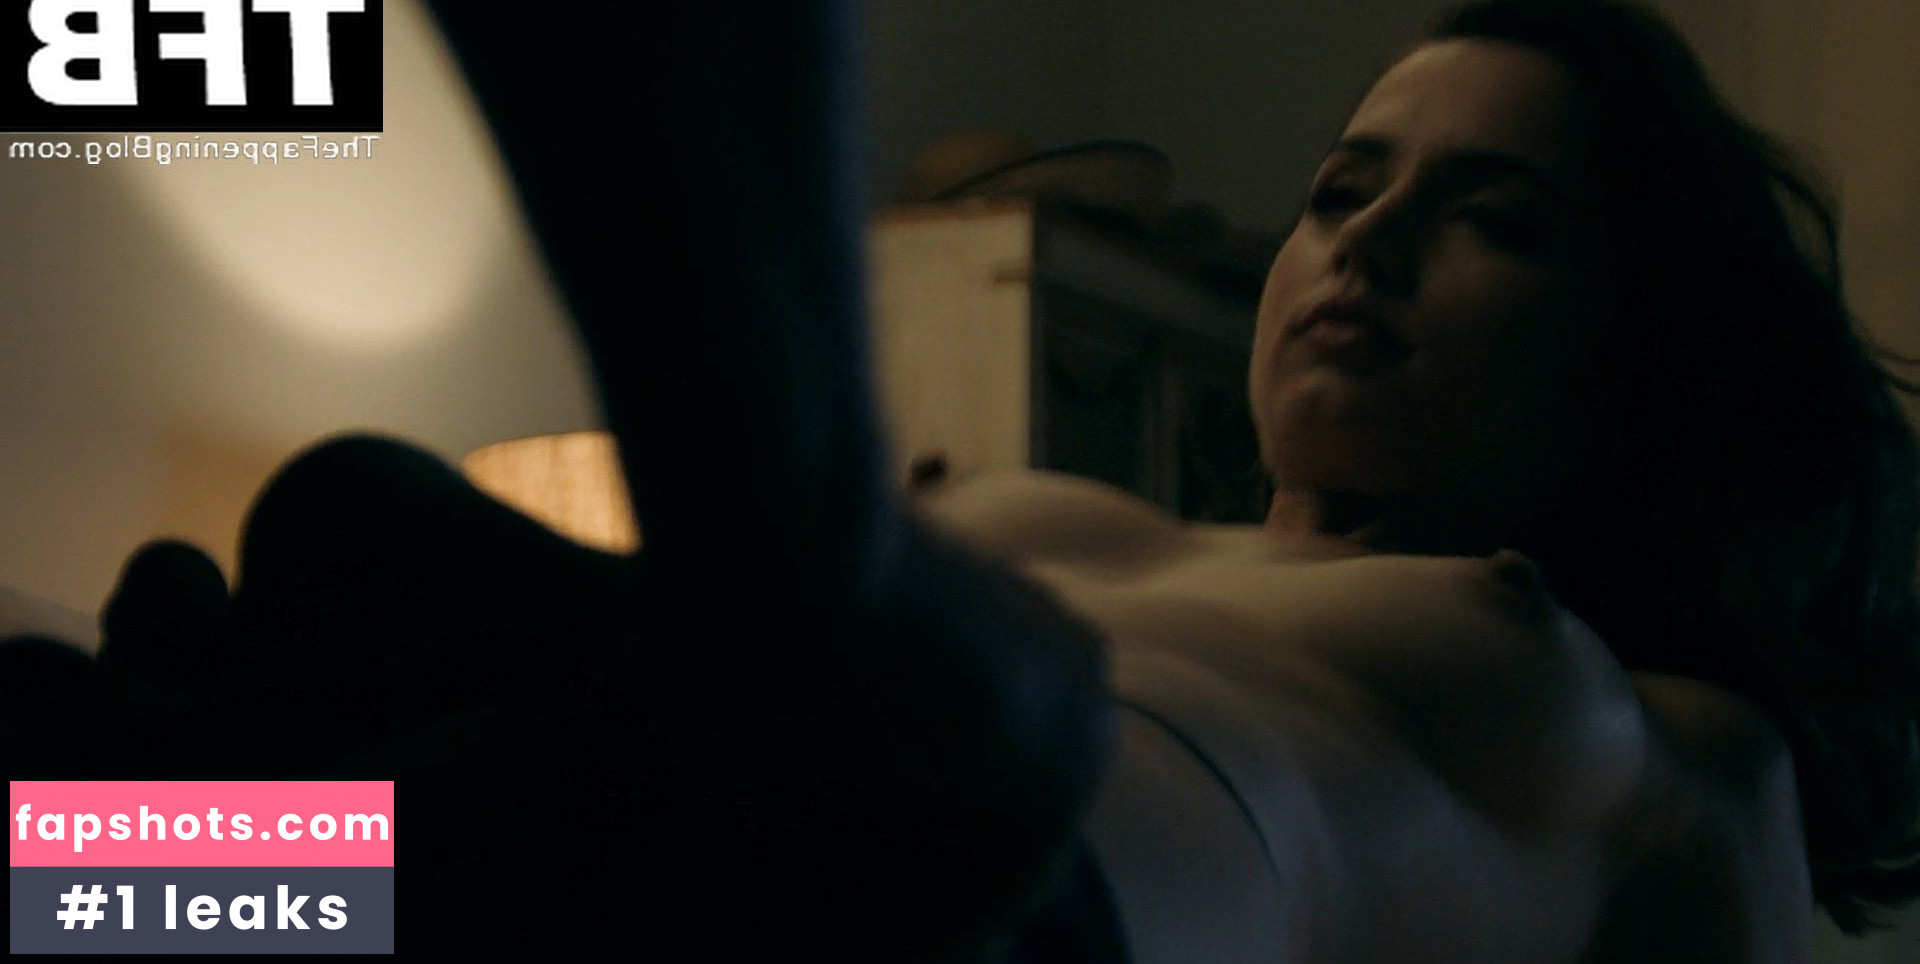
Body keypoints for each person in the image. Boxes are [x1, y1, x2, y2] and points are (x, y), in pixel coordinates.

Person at [5, 0, 1917, 960]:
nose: (1369, 243)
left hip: (1015, 904)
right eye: (1343, 190)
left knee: (948, 719)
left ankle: (760, 534)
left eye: (1494, 217)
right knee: (144, 855)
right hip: (631, 838)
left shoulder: (1657, 734)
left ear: (1643, 357)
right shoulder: (1069, 525)